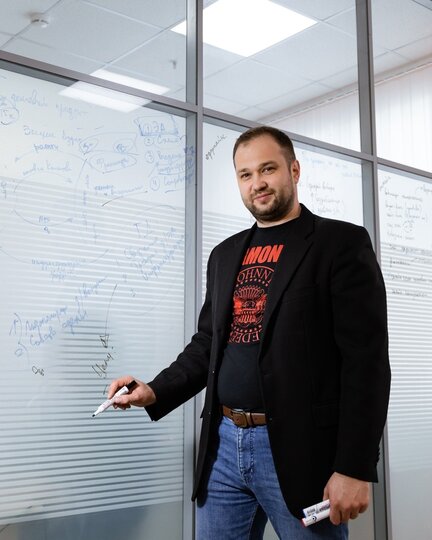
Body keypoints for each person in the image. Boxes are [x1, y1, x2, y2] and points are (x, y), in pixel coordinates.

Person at [108, 126, 391, 539]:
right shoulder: (224, 255)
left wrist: (354, 466)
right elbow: (208, 344)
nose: (257, 182)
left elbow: (366, 362)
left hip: (299, 449)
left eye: (268, 169)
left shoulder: (339, 243)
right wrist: (153, 390)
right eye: (245, 174)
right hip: (223, 446)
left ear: (294, 170)